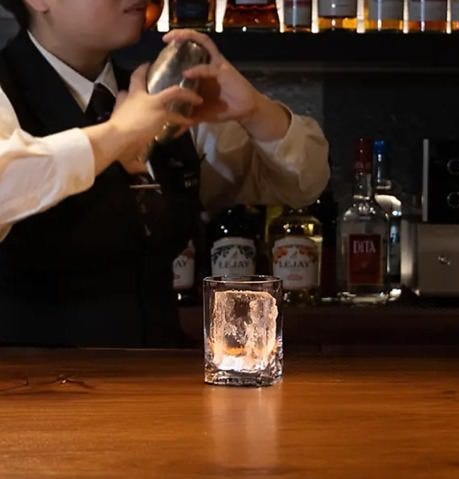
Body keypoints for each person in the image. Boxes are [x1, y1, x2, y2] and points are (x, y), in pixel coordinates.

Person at [0, 0, 329, 347]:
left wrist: (254, 111)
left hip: (162, 372)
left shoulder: (162, 92)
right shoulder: (6, 90)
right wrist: (120, 133)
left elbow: (303, 184)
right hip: (33, 376)